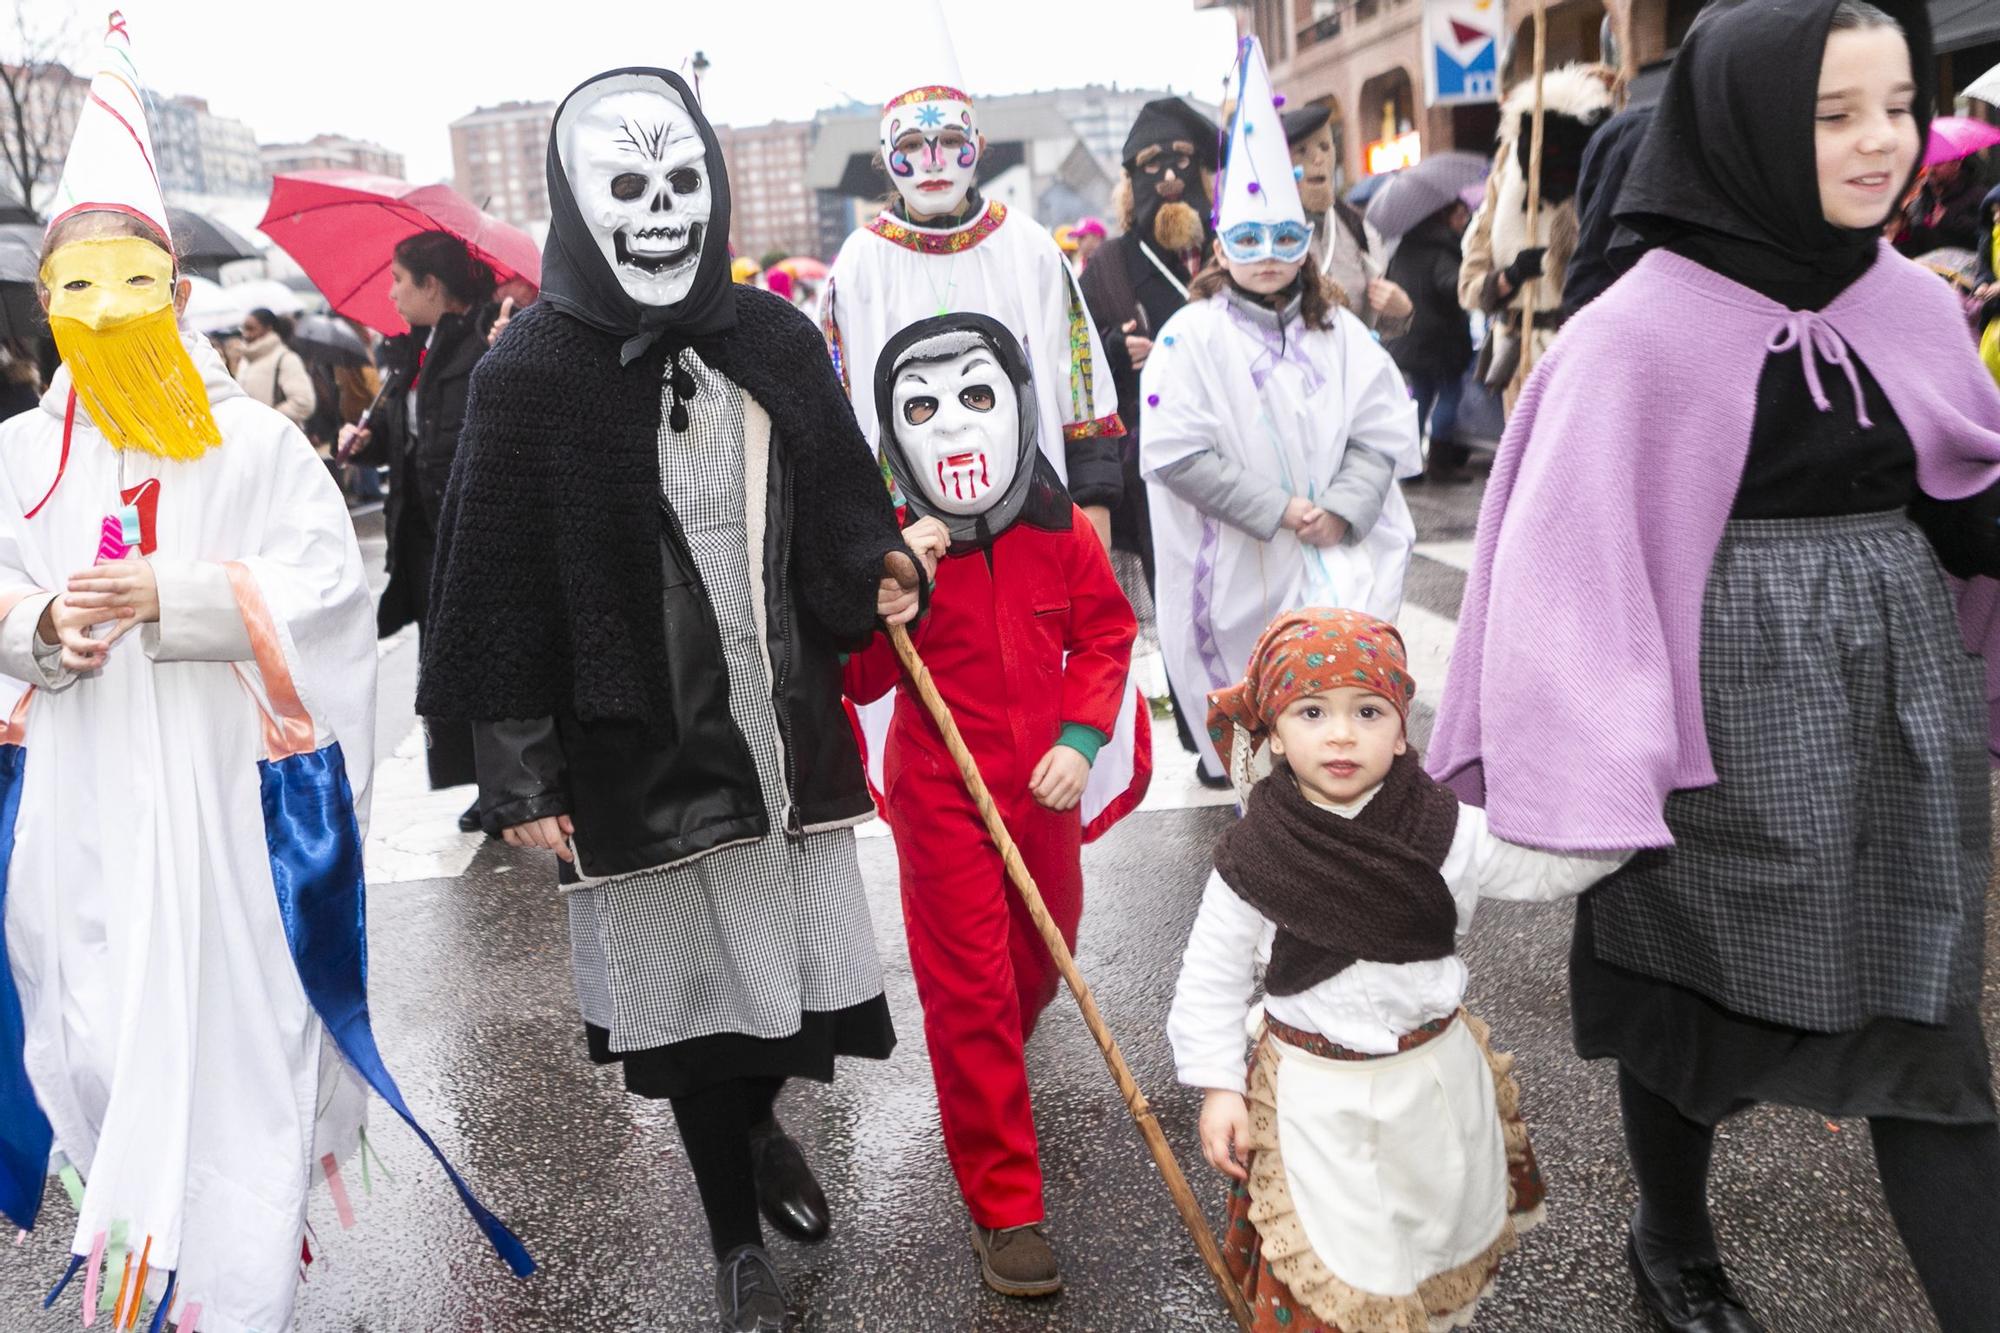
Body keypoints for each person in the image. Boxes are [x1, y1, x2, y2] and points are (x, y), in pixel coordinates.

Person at [1430, 3, 2000, 1330]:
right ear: (1744, 123)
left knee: (1930, 1037)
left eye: (1901, 105)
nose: (1883, 143)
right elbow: (1567, 572)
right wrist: (1588, 765)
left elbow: (1963, 491)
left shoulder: (1912, 303)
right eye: (1834, 113)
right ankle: (1671, 1242)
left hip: (1895, 720)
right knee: (1688, 1001)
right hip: (1708, 727)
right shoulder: (1633, 333)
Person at [0, 17, 528, 1330]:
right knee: (106, 1040)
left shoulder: (253, 449)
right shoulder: (19, 457)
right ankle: (151, 1259)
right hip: (83, 808)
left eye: (132, 286)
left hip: (224, 811)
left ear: (176, 296)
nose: (107, 316)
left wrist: (189, 601)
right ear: (49, 304)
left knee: (236, 1050)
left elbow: (325, 592)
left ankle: (214, 1294)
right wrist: (40, 627)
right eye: (77, 293)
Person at [418, 66, 933, 1333]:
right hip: (628, 746)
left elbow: (843, 504)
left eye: (681, 181)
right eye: (629, 186)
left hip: (774, 726)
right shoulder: (526, 370)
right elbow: (495, 587)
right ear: (578, 203)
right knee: (693, 1014)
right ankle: (730, 1243)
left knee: (780, 989)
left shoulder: (771, 336)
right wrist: (519, 771)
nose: (661, 209)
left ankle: (760, 1129)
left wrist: (883, 566)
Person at [1170, 608, 1620, 1331]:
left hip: (1433, 1092)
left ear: (1403, 728)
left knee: (1427, 1261)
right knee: (1338, 1283)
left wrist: (1624, 804)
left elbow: (1543, 871)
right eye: (1312, 710)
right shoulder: (1254, 853)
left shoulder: (1447, 826)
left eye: (1368, 710)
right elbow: (1211, 976)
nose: (1342, 732)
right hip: (1317, 1103)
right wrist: (1219, 1086)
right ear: (1275, 732)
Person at [843, 313, 1137, 1300]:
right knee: (968, 988)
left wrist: (1081, 736)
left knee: (1035, 961)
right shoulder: (893, 545)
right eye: (922, 407)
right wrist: (892, 591)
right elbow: (859, 678)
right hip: (940, 789)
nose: (954, 426)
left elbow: (1104, 633)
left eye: (974, 397)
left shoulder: (1056, 532)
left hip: (1042, 780)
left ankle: (991, 1066)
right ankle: (1004, 1202)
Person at [1141, 37, 1422, 786]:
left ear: (1305, 243)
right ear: (1221, 245)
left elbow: (1380, 431)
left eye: (1285, 237)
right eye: (1248, 238)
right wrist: (1284, 510)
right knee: (1261, 745)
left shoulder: (1342, 332)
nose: (1267, 254)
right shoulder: (1187, 337)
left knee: (1336, 722)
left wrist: (1338, 511)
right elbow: (1176, 454)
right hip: (1240, 561)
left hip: (1336, 555)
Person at [819, 82, 1125, 549]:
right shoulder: (858, 267)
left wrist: (1095, 531)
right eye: (911, 145)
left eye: (951, 141)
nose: (933, 161)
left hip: (1034, 531)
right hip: (916, 545)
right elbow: (837, 416)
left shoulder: (1030, 249)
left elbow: (1082, 404)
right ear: (884, 156)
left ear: (978, 146)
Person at [1078, 96, 1219, 772]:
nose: (1169, 179)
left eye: (1183, 165)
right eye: (1154, 167)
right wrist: (1114, 346)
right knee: (1181, 593)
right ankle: (1203, 729)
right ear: (1133, 182)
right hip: (1152, 463)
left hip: (1235, 446)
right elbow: (1073, 354)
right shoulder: (1108, 264)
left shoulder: (1227, 246)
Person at [337, 230, 494, 830]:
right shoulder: (412, 352)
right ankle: (482, 781)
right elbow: (415, 436)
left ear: (432, 285)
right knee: (447, 662)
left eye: (400, 279)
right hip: (424, 535)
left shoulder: (483, 343)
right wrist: (370, 441)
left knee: (484, 659)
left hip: (471, 534)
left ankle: (508, 782)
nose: (392, 292)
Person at [1457, 63, 1616, 411]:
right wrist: (1508, 278)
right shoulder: (1506, 175)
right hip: (1521, 357)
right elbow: (1469, 284)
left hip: (1584, 353)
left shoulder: (1602, 181)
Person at [1281, 103, 1414, 339]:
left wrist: (1401, 311)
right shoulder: (1266, 233)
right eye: (1302, 151)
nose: (1318, 159)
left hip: (1350, 369)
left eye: (1324, 147)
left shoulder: (1354, 226)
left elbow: (1379, 327)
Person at [1385, 199, 1476, 483]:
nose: (1463, 221)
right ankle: (1440, 464)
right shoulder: (1443, 250)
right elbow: (1450, 285)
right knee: (1449, 394)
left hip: (1409, 337)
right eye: (1459, 216)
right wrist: (1469, 278)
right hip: (1440, 342)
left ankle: (1409, 465)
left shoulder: (1404, 247)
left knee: (1421, 396)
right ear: (1444, 216)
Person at [231, 306, 316, 433]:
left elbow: (304, 403)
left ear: (268, 329)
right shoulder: (245, 361)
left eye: (251, 329)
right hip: (250, 437)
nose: (246, 334)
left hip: (278, 437)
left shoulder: (286, 359)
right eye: (244, 328)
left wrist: (269, 418)